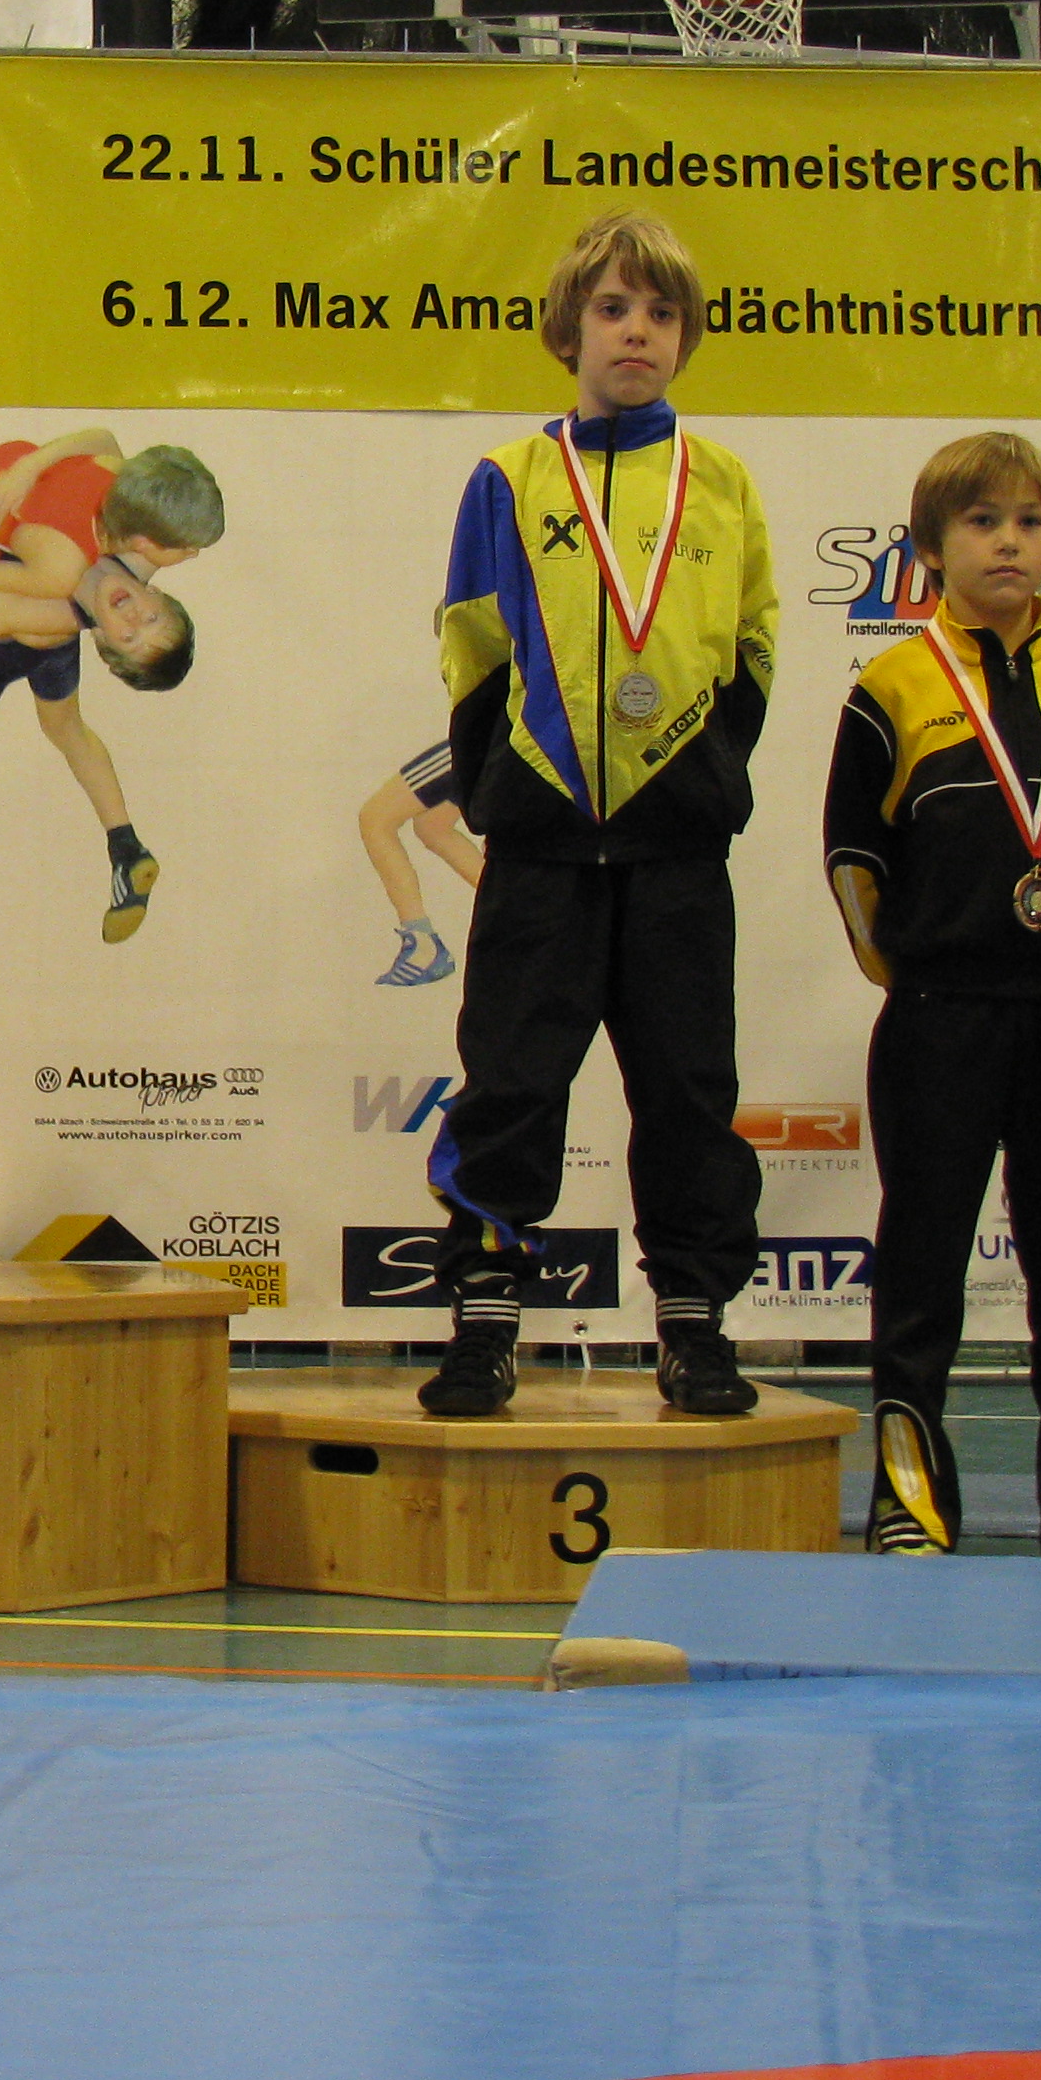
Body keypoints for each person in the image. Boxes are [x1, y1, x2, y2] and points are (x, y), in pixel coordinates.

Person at [418, 208, 776, 1421]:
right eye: (614, 309)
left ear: (687, 336)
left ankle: (693, 1322)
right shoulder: (509, 481)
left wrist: (702, 776)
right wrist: (506, 790)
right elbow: (472, 645)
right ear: (568, 329)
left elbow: (753, 645)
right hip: (544, 848)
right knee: (510, 1084)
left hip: (677, 851)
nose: (637, 332)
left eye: (661, 314)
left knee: (687, 1091)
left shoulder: (722, 484)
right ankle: (484, 1319)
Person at [823, 432, 1041, 1557]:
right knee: (921, 1265)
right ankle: (911, 1502)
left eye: (1030, 522)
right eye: (981, 522)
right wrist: (922, 969)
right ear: (930, 548)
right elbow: (853, 861)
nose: (1008, 542)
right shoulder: (891, 686)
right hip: (938, 1014)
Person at [0, 432, 222, 979]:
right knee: (65, 726)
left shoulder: (62, 589)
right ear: (156, 586)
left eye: (130, 636)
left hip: (27, 621)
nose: (135, 620)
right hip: (39, 611)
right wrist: (32, 467)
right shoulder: (128, 497)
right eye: (151, 618)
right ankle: (126, 845)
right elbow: (103, 436)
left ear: (104, 643)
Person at [360, 743, 481, 985]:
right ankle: (523, 911)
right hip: (499, 741)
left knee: (375, 819)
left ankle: (423, 945)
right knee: (433, 827)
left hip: (484, 740)